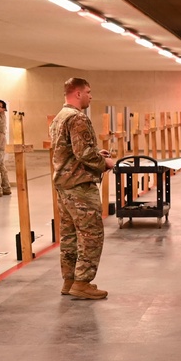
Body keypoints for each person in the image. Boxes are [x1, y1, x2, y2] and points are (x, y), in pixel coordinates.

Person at [49, 77, 116, 300]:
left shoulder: (59, 117)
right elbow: (83, 153)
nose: (90, 95)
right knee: (90, 234)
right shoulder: (78, 118)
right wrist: (105, 163)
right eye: (88, 91)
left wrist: (97, 153)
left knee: (69, 236)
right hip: (79, 186)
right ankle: (82, 282)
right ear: (77, 93)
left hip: (63, 185)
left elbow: (71, 151)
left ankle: (69, 280)